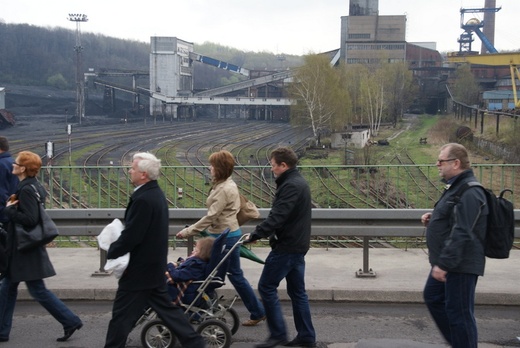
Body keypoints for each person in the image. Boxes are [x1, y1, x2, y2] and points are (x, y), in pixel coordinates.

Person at [104, 152, 205, 348]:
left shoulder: (143, 199)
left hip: (139, 271)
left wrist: (112, 249)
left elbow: (133, 236)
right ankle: (195, 343)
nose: (129, 171)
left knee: (121, 316)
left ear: (143, 174)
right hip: (153, 266)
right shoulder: (155, 194)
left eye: (132, 168)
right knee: (168, 311)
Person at [176, 150, 266, 326]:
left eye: (212, 165)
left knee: (217, 276)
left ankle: (200, 311)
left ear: (220, 168)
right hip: (225, 234)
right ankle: (204, 309)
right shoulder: (225, 184)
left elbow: (211, 216)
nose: (210, 168)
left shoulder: (224, 189)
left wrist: (188, 231)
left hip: (224, 237)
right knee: (218, 276)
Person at [0, 150, 83, 342]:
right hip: (23, 248)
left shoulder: (27, 190)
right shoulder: (32, 185)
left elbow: (30, 219)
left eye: (17, 163)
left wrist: (10, 211)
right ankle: (2, 331)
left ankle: (70, 320)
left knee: (36, 290)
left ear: (23, 168)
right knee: (8, 288)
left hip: (25, 250)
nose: (13, 165)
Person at [244, 147, 316, 348]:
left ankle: (278, 334)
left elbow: (278, 216)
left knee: (266, 286)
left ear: (283, 165)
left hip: (287, 247)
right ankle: (306, 336)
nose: (272, 169)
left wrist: (256, 234)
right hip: (298, 245)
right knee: (297, 293)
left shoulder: (291, 185)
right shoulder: (297, 181)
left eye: (273, 165)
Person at [421, 143, 488, 348]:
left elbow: (463, 230)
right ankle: (461, 342)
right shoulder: (457, 186)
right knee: (433, 297)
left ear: (456, 163)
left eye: (441, 161)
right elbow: (456, 217)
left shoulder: (470, 191)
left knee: (460, 314)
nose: (437, 164)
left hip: (459, 264)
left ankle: (464, 343)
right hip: (449, 261)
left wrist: (444, 265)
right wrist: (436, 218)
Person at [165, 236, 214, 304]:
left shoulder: (197, 265)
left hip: (179, 291)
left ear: (202, 253)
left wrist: (171, 266)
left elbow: (177, 276)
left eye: (196, 250)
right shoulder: (197, 263)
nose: (192, 251)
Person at [0, 137, 19, 225]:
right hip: (12, 210)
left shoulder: (1, 164)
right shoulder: (13, 162)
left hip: (3, 212)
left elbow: (1, 191)